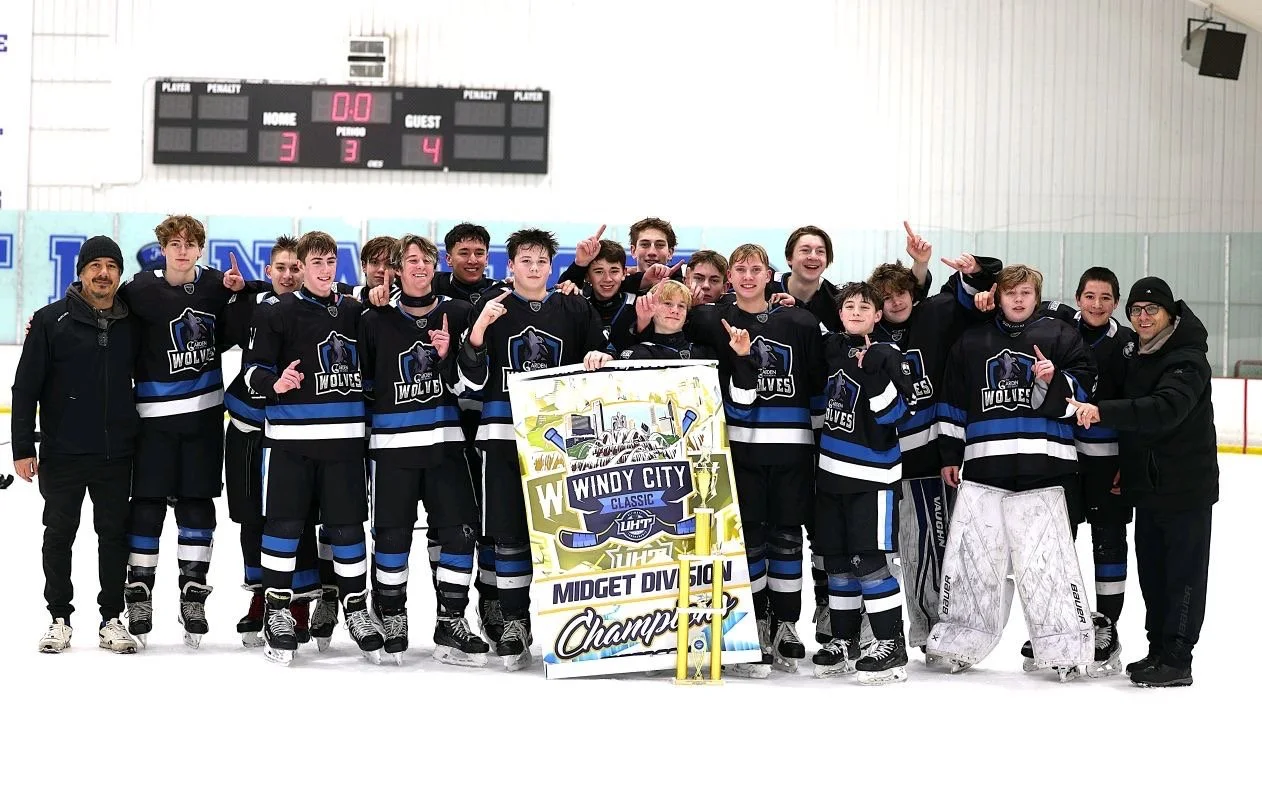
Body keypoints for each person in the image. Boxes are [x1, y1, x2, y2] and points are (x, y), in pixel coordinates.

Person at [455, 228, 612, 670]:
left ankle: (575, 627)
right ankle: (513, 622)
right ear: (510, 267)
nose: (535, 268)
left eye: (542, 261)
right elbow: (470, 378)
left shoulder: (573, 305)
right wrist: (479, 330)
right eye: (526, 261)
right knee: (507, 536)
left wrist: (600, 355)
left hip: (562, 446)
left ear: (551, 265)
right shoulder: (490, 306)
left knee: (567, 536)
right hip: (503, 436)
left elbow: (600, 354)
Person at [931, 264, 1098, 676]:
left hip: (1048, 466)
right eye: (1011, 293)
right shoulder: (972, 341)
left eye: (1026, 293)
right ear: (998, 297)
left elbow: (1085, 387)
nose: (1019, 300)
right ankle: (959, 639)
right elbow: (952, 402)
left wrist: (1054, 377)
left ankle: (1064, 650)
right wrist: (950, 455)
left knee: (1048, 561)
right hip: (987, 465)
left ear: (1036, 297)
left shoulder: (1060, 336)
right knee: (976, 557)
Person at [1067, 276, 1218, 688]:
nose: (1143, 316)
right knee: (1153, 574)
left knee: (1182, 575)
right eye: (1136, 310)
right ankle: (1157, 650)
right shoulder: (1138, 352)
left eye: (1152, 309)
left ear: (1170, 313)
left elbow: (1163, 409)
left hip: (1185, 489)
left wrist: (1101, 411)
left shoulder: (1187, 359)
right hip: (1148, 487)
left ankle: (1178, 658)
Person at [682, 244, 822, 673]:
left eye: (755, 269)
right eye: (739, 270)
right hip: (740, 449)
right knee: (752, 539)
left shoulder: (798, 320)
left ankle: (786, 624)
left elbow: (816, 385)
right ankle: (759, 620)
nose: (747, 276)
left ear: (769, 276)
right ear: (730, 279)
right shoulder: (711, 320)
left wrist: (820, 446)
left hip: (792, 451)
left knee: (786, 537)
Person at [244, 230, 380, 666]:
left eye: (330, 261)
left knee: (347, 530)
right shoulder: (276, 313)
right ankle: (277, 611)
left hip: (343, 445)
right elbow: (250, 373)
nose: (324, 270)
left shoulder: (358, 311)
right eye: (315, 262)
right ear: (300, 267)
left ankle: (356, 611)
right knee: (283, 527)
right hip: (290, 445)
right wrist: (274, 383)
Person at [360, 234, 490, 666]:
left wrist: (447, 357)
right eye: (410, 260)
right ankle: (392, 615)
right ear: (396, 268)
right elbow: (362, 387)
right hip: (393, 449)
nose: (419, 266)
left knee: (460, 532)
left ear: (436, 266)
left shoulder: (458, 312)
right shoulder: (373, 317)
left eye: (426, 259)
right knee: (392, 536)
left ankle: (450, 618)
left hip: (446, 446)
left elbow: (470, 385)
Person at [121, 215, 246, 648]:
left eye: (191, 243)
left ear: (200, 248)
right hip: (153, 423)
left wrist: (240, 291)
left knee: (197, 506)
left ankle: (193, 593)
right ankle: (138, 591)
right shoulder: (137, 289)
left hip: (203, 420)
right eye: (174, 243)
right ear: (162, 248)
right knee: (148, 505)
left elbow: (266, 305)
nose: (183, 250)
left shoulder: (216, 285)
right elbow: (92, 310)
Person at [12, 236, 140, 654]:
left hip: (116, 453)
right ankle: (59, 617)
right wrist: (21, 448)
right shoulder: (50, 321)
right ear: (81, 271)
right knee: (59, 535)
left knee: (114, 537)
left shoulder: (132, 322)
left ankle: (111, 619)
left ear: (120, 274)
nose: (103, 274)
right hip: (63, 452)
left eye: (111, 266)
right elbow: (24, 388)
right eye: (95, 265)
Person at [221, 235, 322, 647]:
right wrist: (238, 289)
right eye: (279, 268)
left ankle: (297, 601)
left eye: (294, 267)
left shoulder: (321, 308)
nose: (287, 274)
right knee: (251, 517)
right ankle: (263, 595)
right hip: (247, 427)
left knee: (296, 518)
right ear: (267, 272)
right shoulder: (248, 304)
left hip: (293, 431)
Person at [811, 282, 914, 683]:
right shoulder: (834, 348)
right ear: (840, 314)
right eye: (848, 306)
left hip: (873, 479)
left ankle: (890, 643)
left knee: (869, 563)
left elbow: (895, 416)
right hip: (831, 476)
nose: (855, 311)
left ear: (877, 315)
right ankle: (844, 640)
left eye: (864, 307)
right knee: (837, 564)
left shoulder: (889, 354)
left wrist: (872, 373)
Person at [1040, 267, 1136, 675]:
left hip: (1109, 461)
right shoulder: (1060, 328)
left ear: (1116, 304)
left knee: (1108, 540)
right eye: (1090, 296)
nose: (1097, 305)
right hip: (1064, 456)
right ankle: (1064, 623)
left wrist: (1127, 464)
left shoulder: (1130, 344)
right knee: (1060, 540)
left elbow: (1136, 406)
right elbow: (1026, 301)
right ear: (1078, 298)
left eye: (1106, 298)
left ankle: (1105, 626)